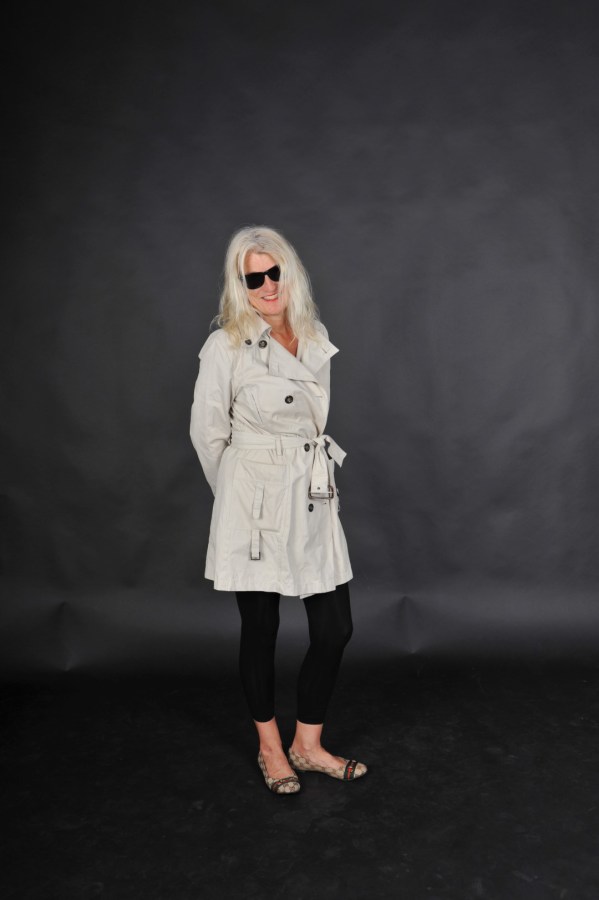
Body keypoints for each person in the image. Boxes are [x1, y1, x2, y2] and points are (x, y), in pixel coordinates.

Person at [190, 225, 367, 794]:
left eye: (275, 273)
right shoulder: (226, 346)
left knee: (335, 627)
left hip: (310, 489)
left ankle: (307, 745)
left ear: (290, 274)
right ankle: (271, 748)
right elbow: (207, 435)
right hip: (254, 495)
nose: (267, 286)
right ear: (239, 286)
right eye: (254, 278)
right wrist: (237, 498)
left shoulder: (314, 335)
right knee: (261, 626)